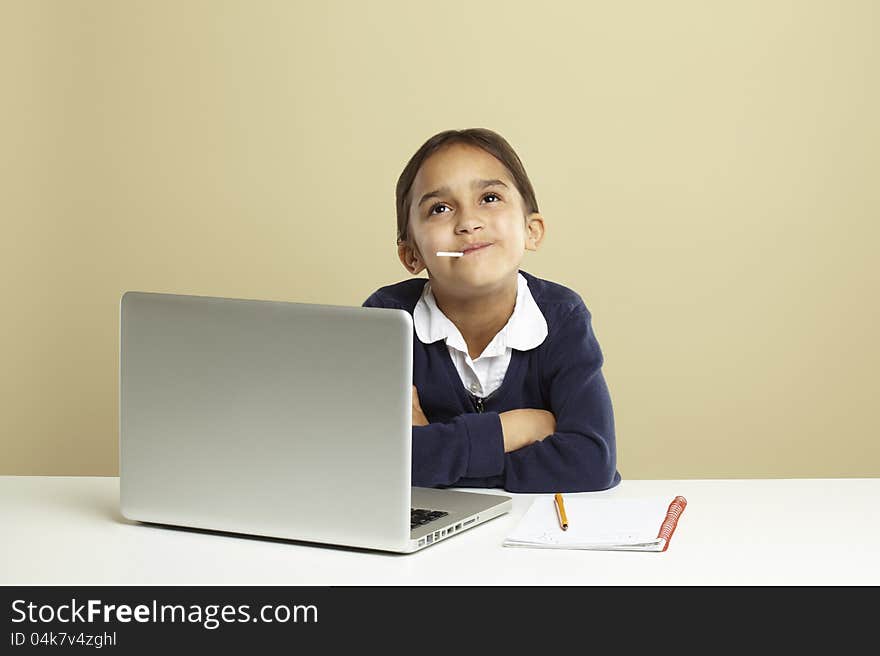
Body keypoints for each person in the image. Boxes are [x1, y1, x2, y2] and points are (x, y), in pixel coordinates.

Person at [362, 128, 620, 493]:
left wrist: (431, 454)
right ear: (412, 255)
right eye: (440, 208)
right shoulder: (387, 320)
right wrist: (516, 429)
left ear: (532, 231)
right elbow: (375, 460)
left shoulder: (563, 317)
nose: (468, 223)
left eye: (490, 198)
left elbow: (590, 462)